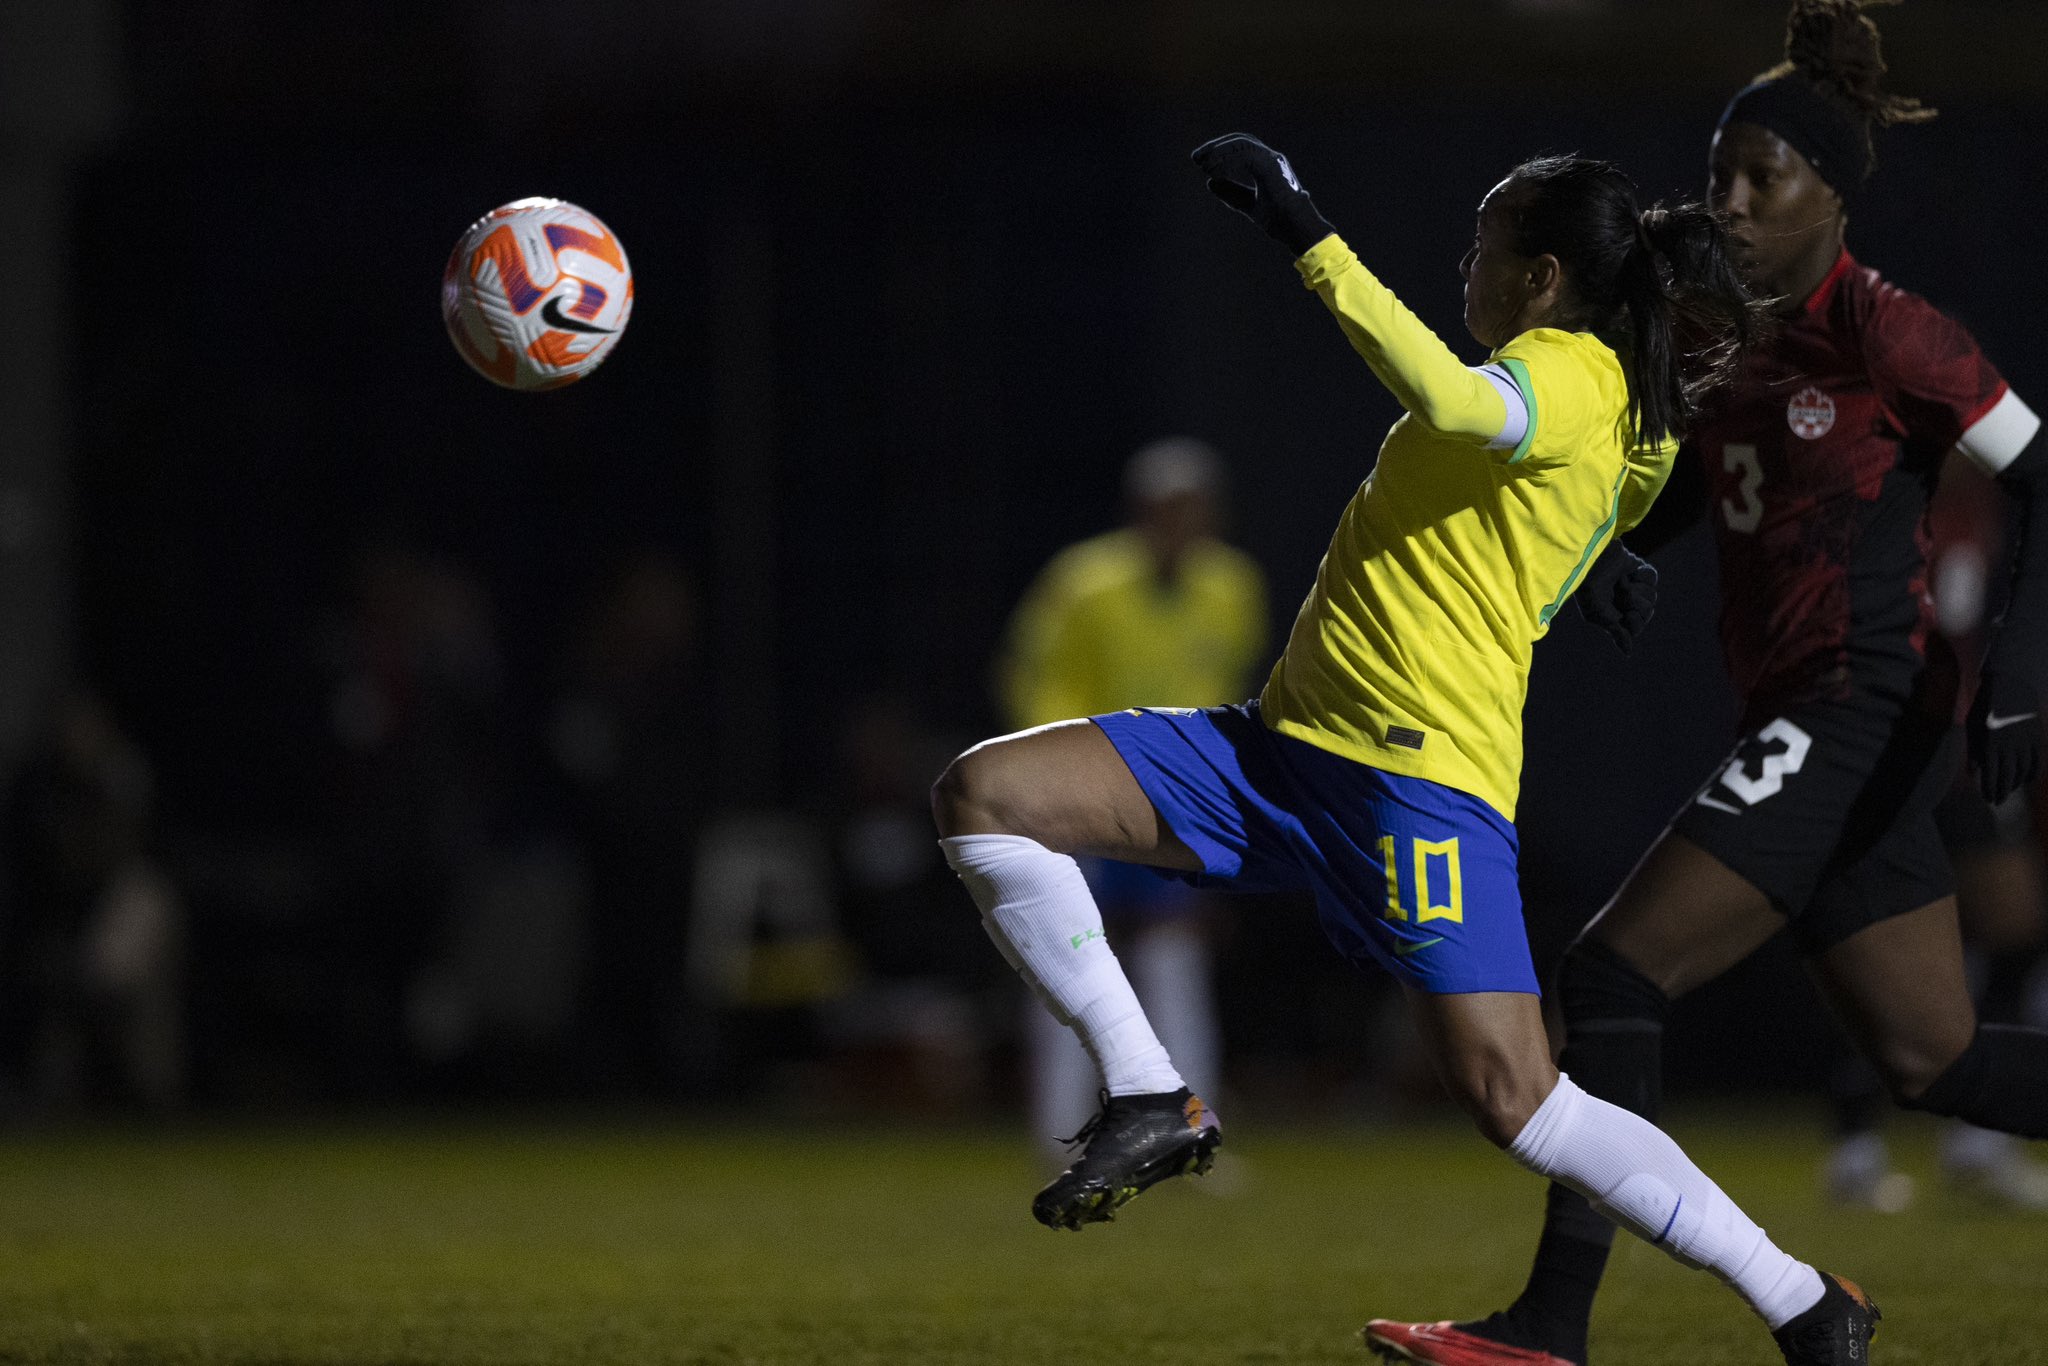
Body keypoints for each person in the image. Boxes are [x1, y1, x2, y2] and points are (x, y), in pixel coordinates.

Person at [933, 131, 1879, 1363]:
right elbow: (1582, 494)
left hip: (1412, 785)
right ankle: (1149, 1092)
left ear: (1541, 277)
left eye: (1482, 250)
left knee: (1515, 1100)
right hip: (1280, 753)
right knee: (987, 790)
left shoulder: (1570, 372)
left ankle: (1803, 1302)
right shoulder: (1601, 397)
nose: (1463, 269)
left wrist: (1301, 230)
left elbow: (1452, 402)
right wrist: (1592, 556)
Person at [1363, 4, 2048, 1364]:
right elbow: (1706, 480)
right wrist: (1633, 547)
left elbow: (2033, 472)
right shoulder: (1726, 334)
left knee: (1613, 969)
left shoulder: (1886, 327)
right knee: (1935, 1060)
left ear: (1831, 197)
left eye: (1762, 177)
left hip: (1855, 705)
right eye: (1720, 169)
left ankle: (1552, 1328)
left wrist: (2009, 678)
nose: (1728, 199)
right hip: (1822, 720)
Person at [996, 437, 1268, 1149]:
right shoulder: (1086, 582)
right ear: (1141, 509)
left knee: (1175, 958)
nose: (1180, 521)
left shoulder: (1232, 587)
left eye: (1194, 508)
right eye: (1166, 507)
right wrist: (1064, 770)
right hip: (1083, 787)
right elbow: (1036, 676)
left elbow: (1231, 690)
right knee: (1073, 950)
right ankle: (1059, 1132)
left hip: (1179, 798)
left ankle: (1190, 1129)